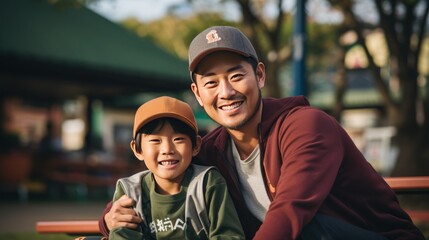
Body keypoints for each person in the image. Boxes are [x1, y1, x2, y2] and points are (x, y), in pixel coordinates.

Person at [100, 26, 425, 240]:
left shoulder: (307, 127)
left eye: (236, 76)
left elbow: (291, 211)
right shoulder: (211, 149)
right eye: (211, 82)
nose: (225, 92)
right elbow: (155, 183)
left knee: (305, 229)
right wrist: (110, 219)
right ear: (198, 94)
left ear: (259, 75)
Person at [108, 96, 244, 239]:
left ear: (196, 145)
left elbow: (229, 235)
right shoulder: (131, 190)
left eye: (178, 139)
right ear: (137, 149)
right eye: (155, 140)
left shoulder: (207, 183)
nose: (167, 149)